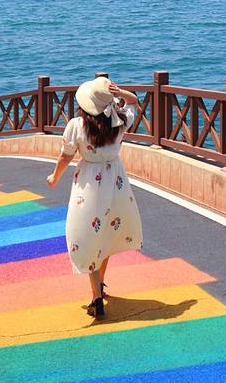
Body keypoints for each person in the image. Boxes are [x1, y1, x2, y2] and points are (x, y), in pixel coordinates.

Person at [46, 77, 143, 318]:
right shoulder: (119, 121)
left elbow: (66, 155)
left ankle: (96, 295)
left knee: (89, 235)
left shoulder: (77, 125)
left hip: (89, 184)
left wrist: (54, 177)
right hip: (115, 182)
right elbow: (135, 102)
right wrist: (119, 92)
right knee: (107, 233)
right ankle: (99, 285)